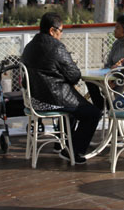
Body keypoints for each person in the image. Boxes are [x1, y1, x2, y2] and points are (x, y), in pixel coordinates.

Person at [21, 13, 100, 164]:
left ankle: (61, 143)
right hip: (53, 99)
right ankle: (73, 151)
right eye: (61, 30)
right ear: (52, 30)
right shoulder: (56, 47)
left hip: (34, 100)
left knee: (73, 111)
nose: (62, 34)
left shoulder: (29, 46)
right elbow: (74, 75)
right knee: (93, 113)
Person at [86, 14, 124, 110]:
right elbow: (108, 63)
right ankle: (100, 106)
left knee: (116, 88)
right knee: (89, 80)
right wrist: (106, 75)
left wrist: (112, 76)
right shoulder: (116, 43)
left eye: (117, 28)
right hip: (110, 76)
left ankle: (110, 107)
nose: (114, 30)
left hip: (123, 79)